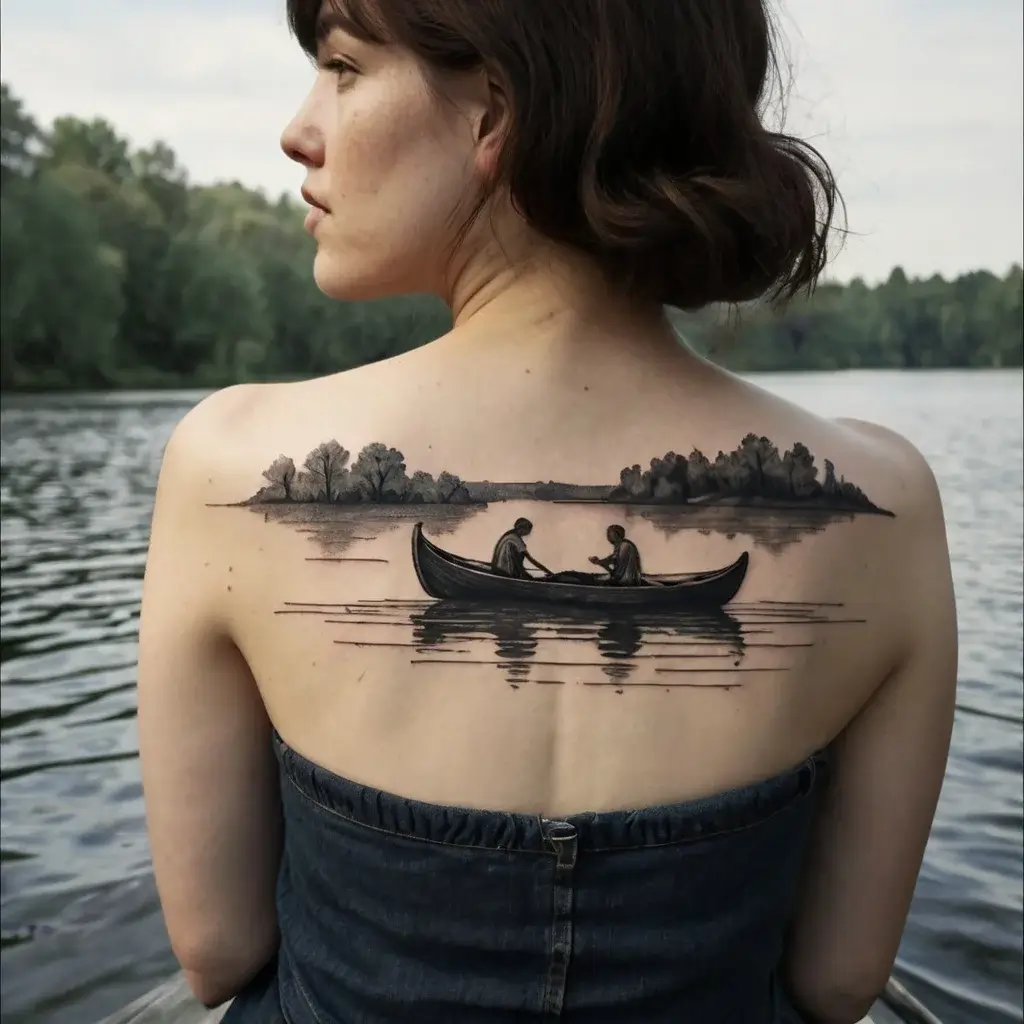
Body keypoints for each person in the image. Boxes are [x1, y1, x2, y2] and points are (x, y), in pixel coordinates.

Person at [136, 2, 957, 1022]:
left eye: (342, 68)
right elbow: (839, 982)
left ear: (495, 113)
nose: (299, 128)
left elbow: (216, 951)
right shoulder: (886, 501)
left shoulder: (228, 465)